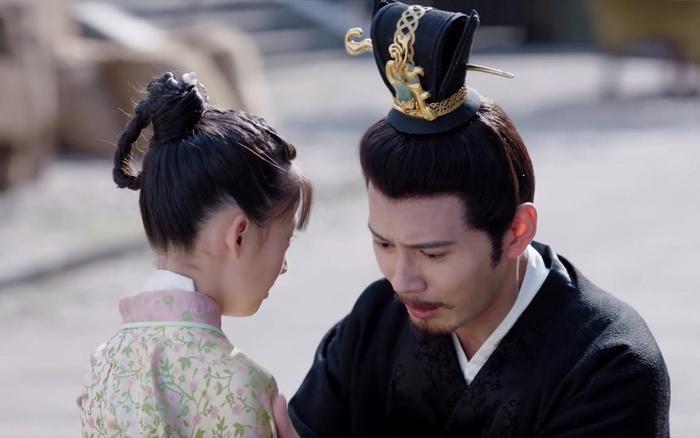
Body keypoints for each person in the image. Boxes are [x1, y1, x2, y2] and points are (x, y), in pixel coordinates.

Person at [281, 1, 671, 436]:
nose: (402, 281)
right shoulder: (374, 324)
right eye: (384, 244)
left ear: (517, 232)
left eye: (433, 253)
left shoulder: (607, 363)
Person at [79, 71, 312, 437]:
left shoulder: (104, 367)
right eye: (284, 243)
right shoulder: (238, 385)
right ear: (239, 235)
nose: (283, 267)